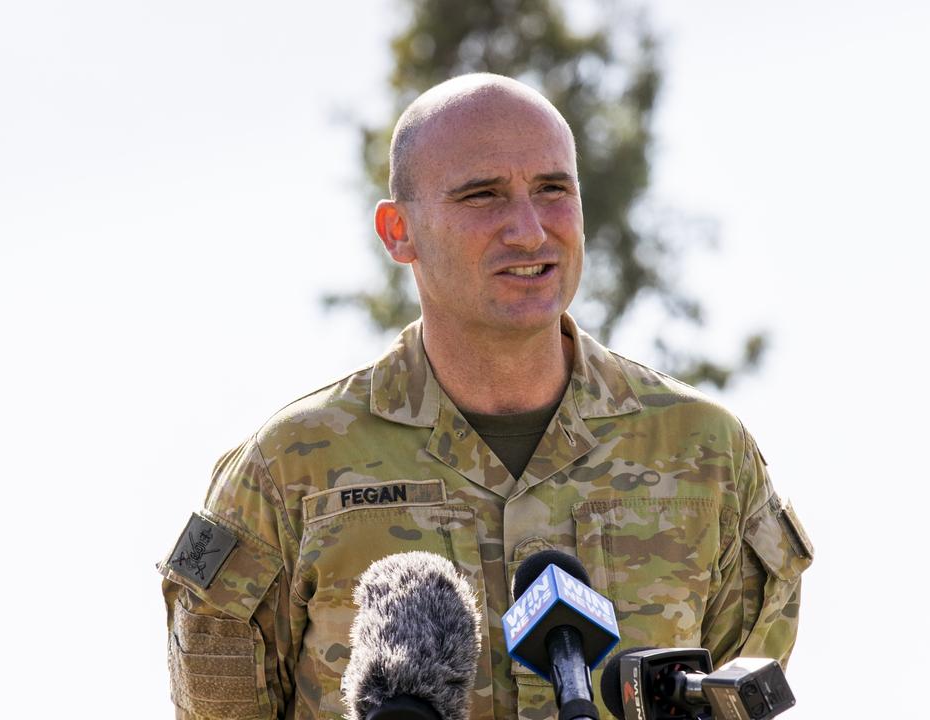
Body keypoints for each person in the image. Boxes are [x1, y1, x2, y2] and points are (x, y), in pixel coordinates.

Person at [158, 73, 813, 720]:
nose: (529, 230)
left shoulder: (708, 458)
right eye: (483, 196)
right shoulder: (288, 473)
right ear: (398, 231)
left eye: (553, 190)